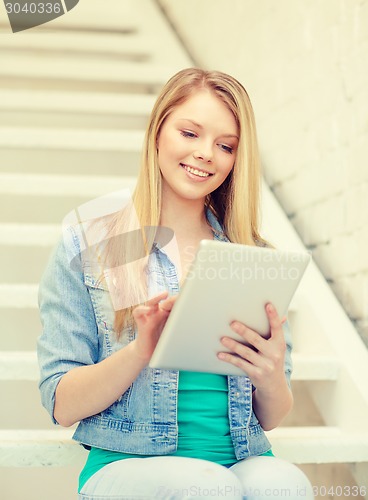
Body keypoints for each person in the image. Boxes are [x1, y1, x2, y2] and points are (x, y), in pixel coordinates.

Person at [37, 68, 314, 499]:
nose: (206, 154)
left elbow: (272, 416)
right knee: (209, 488)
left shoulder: (255, 257)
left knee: (287, 485)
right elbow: (62, 404)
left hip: (240, 457)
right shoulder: (92, 245)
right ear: (158, 132)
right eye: (190, 133)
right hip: (127, 464)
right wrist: (140, 350)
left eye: (226, 146)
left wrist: (272, 375)